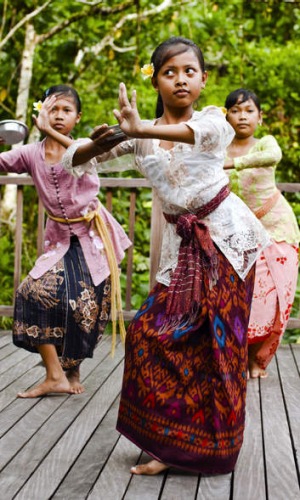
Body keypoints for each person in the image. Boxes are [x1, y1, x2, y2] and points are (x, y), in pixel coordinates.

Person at [59, 37, 270, 475]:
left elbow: (198, 135)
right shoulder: (139, 135)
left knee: (219, 346)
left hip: (228, 243)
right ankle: (166, 444)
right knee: (147, 335)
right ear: (155, 80)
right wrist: (102, 141)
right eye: (169, 72)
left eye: (189, 71)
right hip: (183, 250)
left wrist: (140, 130)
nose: (180, 79)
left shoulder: (213, 120)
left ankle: (215, 449)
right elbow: (73, 160)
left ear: (203, 79)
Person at [0, 84, 131, 398]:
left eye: (66, 110)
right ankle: (55, 375)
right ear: (41, 111)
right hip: (59, 240)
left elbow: (80, 155)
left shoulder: (84, 145)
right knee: (31, 293)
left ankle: (72, 371)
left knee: (85, 306)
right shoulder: (31, 152)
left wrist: (49, 131)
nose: (58, 116)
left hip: (94, 240)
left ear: (77, 116)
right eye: (52, 109)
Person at [224, 88, 300, 379]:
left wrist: (232, 163)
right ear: (227, 115)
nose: (242, 116)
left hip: (278, 229)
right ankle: (239, 356)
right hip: (241, 234)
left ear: (260, 116)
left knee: (274, 298)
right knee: (243, 298)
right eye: (235, 110)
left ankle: (259, 360)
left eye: (249, 110)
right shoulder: (219, 149)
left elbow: (274, 155)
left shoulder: (266, 142)